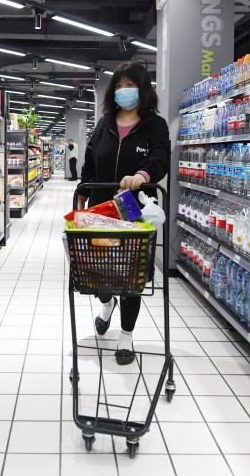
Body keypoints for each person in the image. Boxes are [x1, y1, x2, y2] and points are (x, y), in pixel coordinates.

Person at [78, 61, 171, 364]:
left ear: (142, 89)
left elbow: (161, 157)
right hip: (101, 207)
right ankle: (106, 304)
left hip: (133, 208)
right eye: (118, 86)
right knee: (98, 271)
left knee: (131, 275)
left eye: (129, 85)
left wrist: (143, 175)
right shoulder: (104, 123)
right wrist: (84, 190)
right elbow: (90, 160)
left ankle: (126, 337)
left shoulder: (155, 125)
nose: (123, 91)